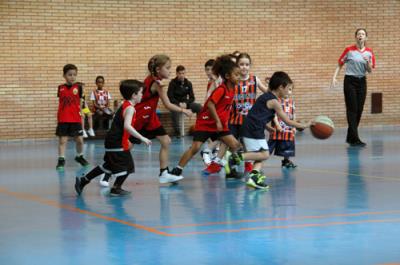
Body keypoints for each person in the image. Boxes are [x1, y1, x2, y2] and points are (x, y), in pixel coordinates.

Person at [226, 71, 309, 189]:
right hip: (253, 130)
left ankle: (253, 178)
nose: (289, 91)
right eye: (288, 88)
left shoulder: (267, 96)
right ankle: (236, 158)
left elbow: (258, 115)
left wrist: (268, 127)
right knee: (264, 154)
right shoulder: (275, 102)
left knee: (260, 154)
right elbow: (288, 121)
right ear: (281, 87)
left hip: (253, 127)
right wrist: (306, 125)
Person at [169, 55, 242, 178]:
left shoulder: (233, 89)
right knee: (195, 147)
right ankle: (178, 169)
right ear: (228, 76)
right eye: (236, 75)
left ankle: (221, 165)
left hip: (220, 124)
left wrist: (223, 121)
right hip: (206, 122)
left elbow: (226, 107)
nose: (239, 77)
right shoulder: (221, 89)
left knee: (235, 145)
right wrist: (218, 121)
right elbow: (210, 105)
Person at [75, 80, 151, 196]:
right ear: (134, 95)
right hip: (116, 142)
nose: (142, 95)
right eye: (141, 93)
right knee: (128, 166)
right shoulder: (130, 108)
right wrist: (142, 138)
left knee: (108, 166)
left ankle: (83, 180)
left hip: (114, 141)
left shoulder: (125, 105)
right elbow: (127, 126)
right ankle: (116, 188)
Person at [134, 54, 192, 184]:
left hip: (150, 118)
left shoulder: (153, 79)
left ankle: (164, 173)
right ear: (158, 70)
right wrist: (184, 110)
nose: (170, 70)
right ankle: (106, 173)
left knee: (166, 141)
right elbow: (168, 104)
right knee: (125, 148)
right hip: (139, 118)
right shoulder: (156, 83)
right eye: (167, 68)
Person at [331, 28, 375, 147]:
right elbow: (340, 64)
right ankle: (355, 139)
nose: (361, 35)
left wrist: (367, 62)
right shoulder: (349, 50)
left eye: (363, 34)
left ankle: (350, 137)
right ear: (355, 37)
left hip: (362, 81)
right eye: (359, 34)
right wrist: (334, 77)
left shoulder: (369, 52)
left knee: (359, 109)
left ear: (366, 38)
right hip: (350, 81)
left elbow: (370, 71)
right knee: (352, 109)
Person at [55, 64, 90, 171]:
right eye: (69, 75)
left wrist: (84, 112)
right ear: (64, 75)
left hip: (76, 118)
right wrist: (58, 117)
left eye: (74, 75)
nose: (72, 77)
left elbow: (82, 102)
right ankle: (61, 160)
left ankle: (79, 156)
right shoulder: (60, 88)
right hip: (63, 119)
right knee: (62, 141)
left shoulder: (79, 87)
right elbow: (61, 103)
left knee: (79, 140)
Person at [268, 86, 300, 168]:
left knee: (288, 145)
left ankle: (286, 161)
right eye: (286, 89)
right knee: (270, 146)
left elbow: (293, 114)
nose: (288, 91)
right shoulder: (277, 101)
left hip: (288, 128)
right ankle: (259, 160)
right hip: (278, 128)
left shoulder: (292, 102)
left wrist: (294, 126)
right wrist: (277, 125)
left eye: (290, 89)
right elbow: (273, 114)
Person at [167, 65, 202, 137]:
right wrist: (179, 103)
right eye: (180, 73)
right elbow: (170, 97)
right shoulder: (172, 83)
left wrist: (186, 103)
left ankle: (200, 129)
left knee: (199, 107)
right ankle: (177, 132)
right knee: (174, 110)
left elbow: (192, 98)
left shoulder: (188, 83)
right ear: (176, 74)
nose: (181, 75)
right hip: (175, 104)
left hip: (186, 103)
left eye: (183, 73)